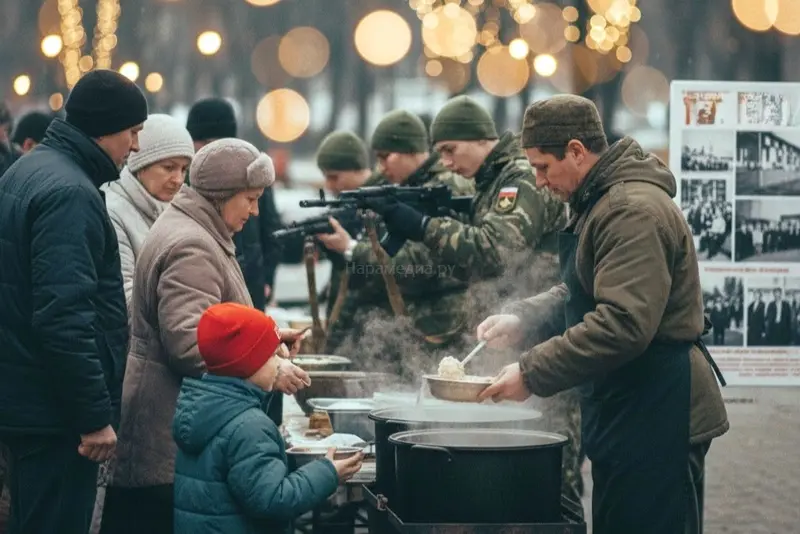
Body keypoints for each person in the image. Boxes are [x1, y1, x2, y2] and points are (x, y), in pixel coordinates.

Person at [477, 95, 729, 534]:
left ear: (576, 151)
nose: (537, 181)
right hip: (630, 408)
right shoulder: (600, 200)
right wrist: (525, 319)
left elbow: (622, 323)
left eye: (542, 167)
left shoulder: (629, 211)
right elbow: (582, 289)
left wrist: (531, 372)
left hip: (659, 412)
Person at [102, 139, 311, 534]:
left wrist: (266, 338)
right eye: (249, 199)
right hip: (166, 432)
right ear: (219, 195)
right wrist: (266, 365)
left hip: (175, 428)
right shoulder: (192, 246)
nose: (255, 210)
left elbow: (214, 325)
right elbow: (190, 345)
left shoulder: (198, 229)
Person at [0, 69, 147, 534]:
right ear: (104, 129)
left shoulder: (32, 169)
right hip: (54, 415)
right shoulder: (70, 193)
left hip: (29, 402)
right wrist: (93, 419)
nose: (136, 146)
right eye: (133, 132)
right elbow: (64, 319)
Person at [173, 302, 363, 533]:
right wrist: (328, 473)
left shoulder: (206, 409)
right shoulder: (250, 427)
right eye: (273, 355)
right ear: (248, 363)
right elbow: (273, 500)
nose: (281, 363)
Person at [317, 111, 475, 374]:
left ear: (409, 149)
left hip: (442, 326)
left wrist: (352, 250)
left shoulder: (445, 188)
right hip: (413, 324)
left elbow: (423, 263)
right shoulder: (407, 186)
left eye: (385, 156)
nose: (380, 167)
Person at [186, 97, 282, 311]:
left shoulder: (254, 175)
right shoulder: (187, 177)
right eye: (201, 144)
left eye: (211, 143)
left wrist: (267, 278)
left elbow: (271, 231)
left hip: (250, 284)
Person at [104, 114, 195, 309]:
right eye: (169, 167)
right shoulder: (113, 212)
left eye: (184, 169)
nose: (178, 179)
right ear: (141, 165)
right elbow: (123, 296)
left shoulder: (180, 213)